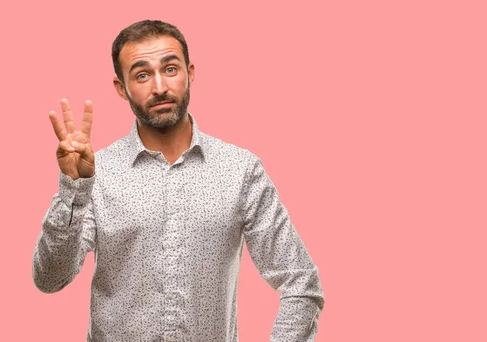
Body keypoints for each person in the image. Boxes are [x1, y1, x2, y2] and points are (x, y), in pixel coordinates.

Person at [32, 20, 324, 342]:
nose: (159, 87)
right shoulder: (97, 174)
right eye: (142, 75)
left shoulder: (239, 170)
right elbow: (50, 278)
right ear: (121, 87)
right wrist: (74, 190)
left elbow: (300, 282)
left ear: (190, 73)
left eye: (170, 69)